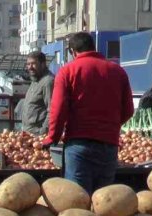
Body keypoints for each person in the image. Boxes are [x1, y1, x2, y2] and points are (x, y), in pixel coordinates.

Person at [43, 32, 134, 191]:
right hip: (108, 145)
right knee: (104, 201)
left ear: (72, 51)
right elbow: (128, 110)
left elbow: (58, 110)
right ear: (93, 47)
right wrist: (109, 127)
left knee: (78, 200)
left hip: (79, 145)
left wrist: (53, 137)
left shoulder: (67, 71)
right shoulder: (118, 71)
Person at [22, 51, 54, 135]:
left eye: (33, 64)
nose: (30, 67)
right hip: (28, 132)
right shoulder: (35, 80)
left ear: (43, 64)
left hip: (38, 134)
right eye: (28, 64)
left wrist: (43, 131)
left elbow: (52, 110)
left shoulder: (48, 82)